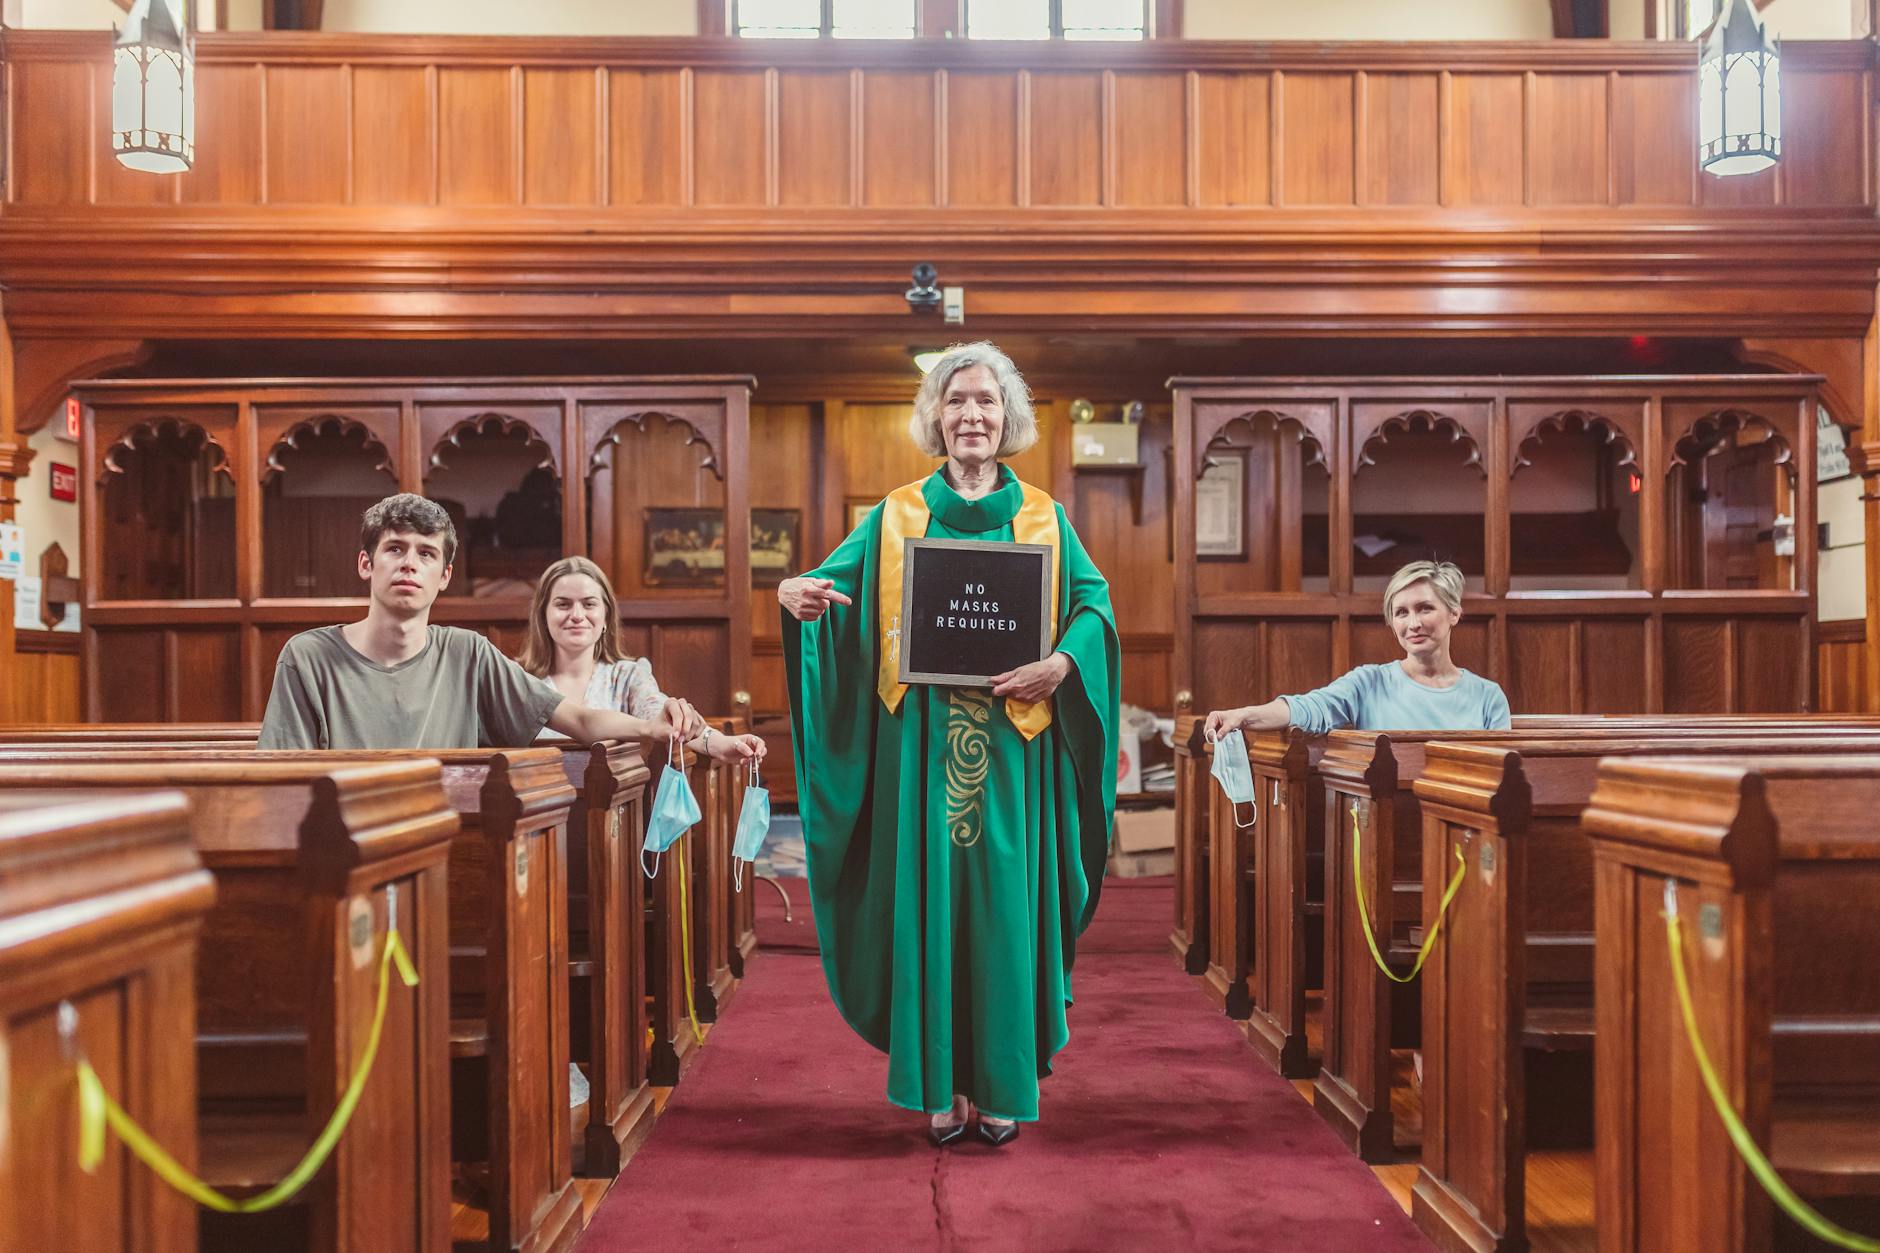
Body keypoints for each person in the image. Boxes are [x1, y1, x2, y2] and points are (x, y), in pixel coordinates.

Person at [779, 341, 1120, 1147]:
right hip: (920, 755)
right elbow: (832, 592)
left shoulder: (1045, 515)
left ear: (1009, 417)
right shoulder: (896, 514)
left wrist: (1061, 662)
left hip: (1014, 750)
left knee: (1003, 911)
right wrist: (798, 595)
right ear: (935, 415)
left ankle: (999, 1086)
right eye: (957, 400)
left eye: (987, 401)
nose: (972, 414)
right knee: (928, 906)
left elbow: (1095, 609)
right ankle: (937, 1084)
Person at [258, 493, 742, 756]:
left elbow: (578, 720)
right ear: (366, 564)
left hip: (449, 850)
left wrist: (652, 728)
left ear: (445, 576)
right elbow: (281, 778)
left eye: (426, 554)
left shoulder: (468, 654)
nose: (409, 564)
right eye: (394, 549)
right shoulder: (309, 657)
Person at [1204, 560, 1511, 740]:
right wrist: (1243, 715)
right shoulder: (1369, 683)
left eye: (1425, 608)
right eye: (1401, 613)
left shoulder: (1488, 696)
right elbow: (1308, 708)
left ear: (1454, 613)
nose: (1413, 623)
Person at [518, 554, 765, 768]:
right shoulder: (517, 679)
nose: (576, 615)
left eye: (588, 604)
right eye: (563, 604)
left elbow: (660, 716)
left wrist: (722, 745)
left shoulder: (628, 676)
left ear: (606, 616)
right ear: (543, 615)